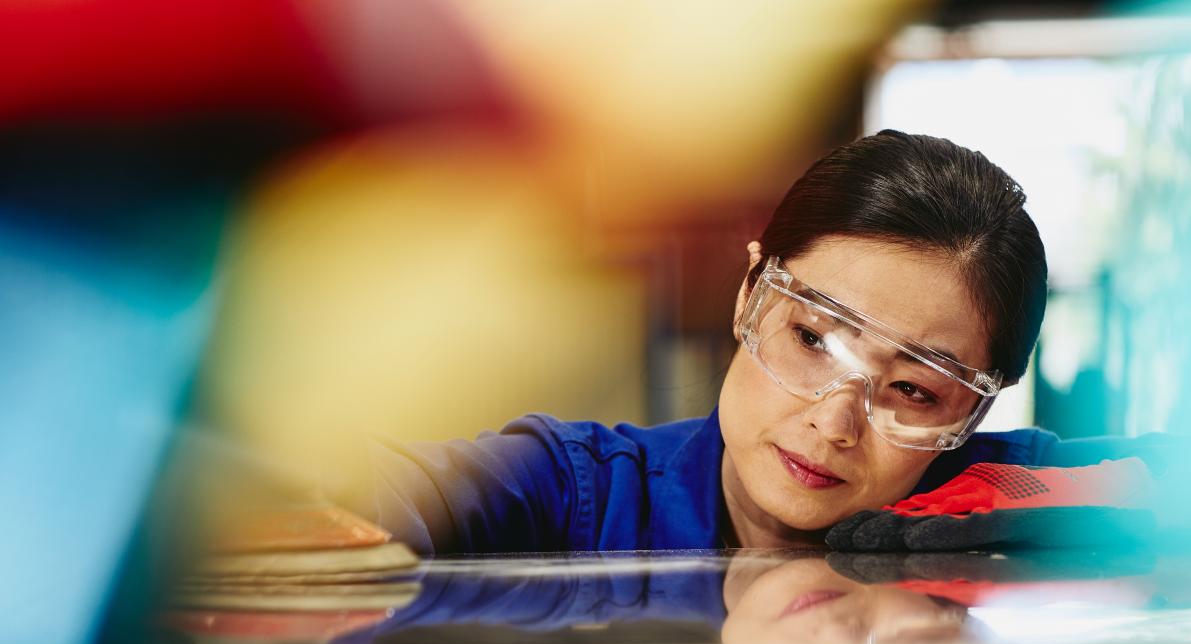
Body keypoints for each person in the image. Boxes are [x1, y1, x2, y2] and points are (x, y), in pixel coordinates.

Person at [364, 130, 1174, 555]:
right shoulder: (580, 493)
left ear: (973, 408)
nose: (833, 423)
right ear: (752, 295)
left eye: (915, 392)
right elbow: (366, 498)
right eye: (814, 338)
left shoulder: (988, 491)